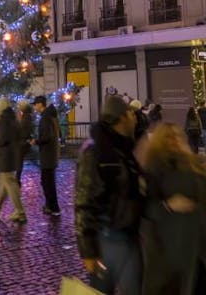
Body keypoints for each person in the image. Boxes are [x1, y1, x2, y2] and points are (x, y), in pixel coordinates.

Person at [141, 123, 206, 294]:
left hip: (201, 243)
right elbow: (146, 206)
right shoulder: (154, 168)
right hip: (172, 247)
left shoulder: (193, 164)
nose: (174, 141)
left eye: (177, 136)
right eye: (168, 137)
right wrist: (168, 205)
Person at [75, 95, 145, 294]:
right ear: (121, 118)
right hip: (108, 237)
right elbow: (84, 201)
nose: (136, 118)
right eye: (132, 114)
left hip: (128, 234)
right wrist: (88, 251)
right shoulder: (96, 151)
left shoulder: (124, 147)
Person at [0, 97, 26, 223]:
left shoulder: (4, 120)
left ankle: (20, 212)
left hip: (5, 157)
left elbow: (2, 138)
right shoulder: (12, 118)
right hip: (9, 155)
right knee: (4, 186)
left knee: (9, 185)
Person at [32, 95, 60, 216]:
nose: (34, 107)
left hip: (48, 155)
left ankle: (54, 208)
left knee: (47, 182)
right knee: (47, 182)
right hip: (50, 154)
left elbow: (47, 136)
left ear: (40, 104)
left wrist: (36, 141)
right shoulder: (49, 116)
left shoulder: (45, 118)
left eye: (35, 104)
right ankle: (50, 205)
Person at [16, 100, 35, 184]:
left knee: (19, 161)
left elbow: (22, 129)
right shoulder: (27, 116)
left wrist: (19, 121)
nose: (18, 107)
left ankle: (17, 179)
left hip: (22, 142)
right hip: (23, 142)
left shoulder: (26, 117)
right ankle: (17, 178)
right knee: (19, 161)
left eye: (19, 106)